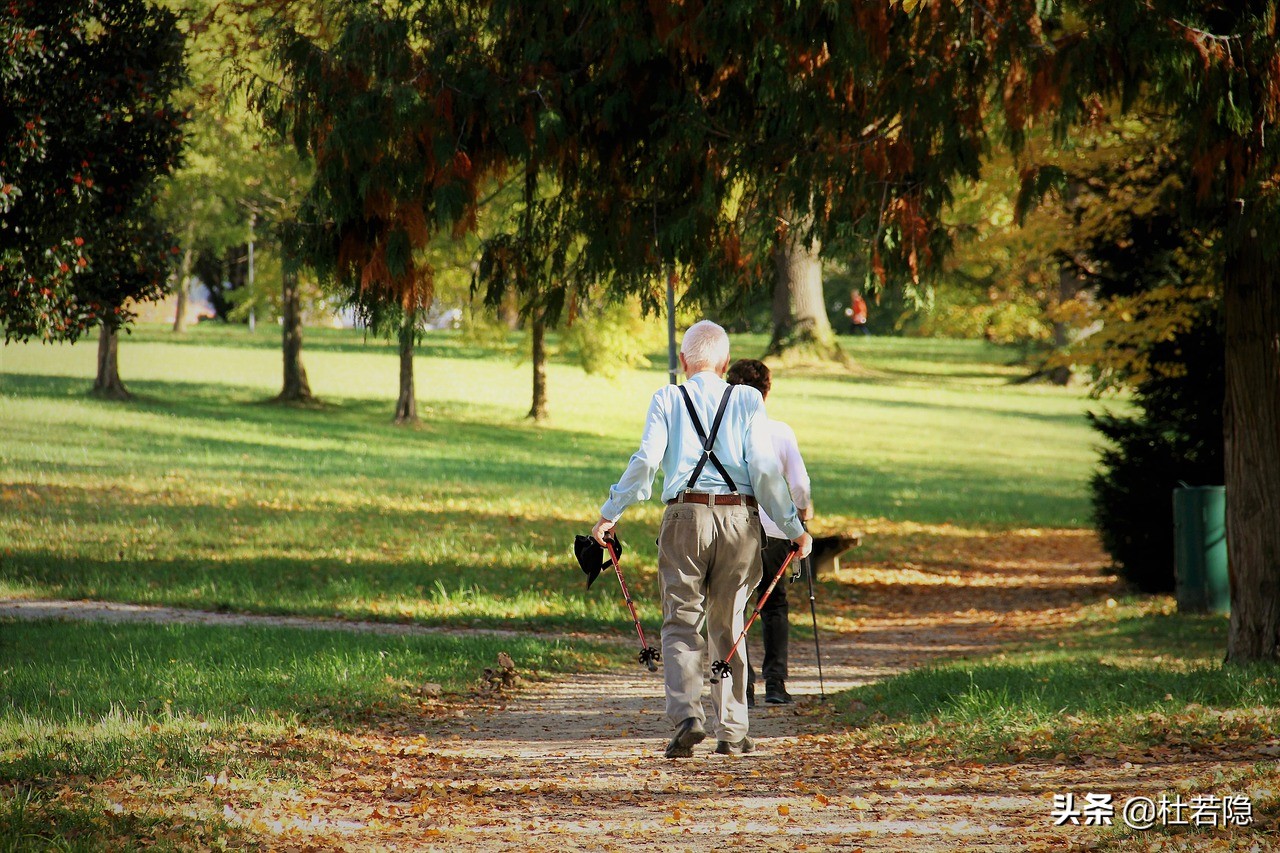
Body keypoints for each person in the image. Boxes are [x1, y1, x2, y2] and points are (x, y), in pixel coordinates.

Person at [591, 320, 813, 759]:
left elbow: (646, 461)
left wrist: (608, 514)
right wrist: (794, 528)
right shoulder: (748, 399)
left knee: (680, 620)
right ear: (726, 363)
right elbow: (766, 473)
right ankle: (732, 729)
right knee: (730, 623)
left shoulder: (667, 398)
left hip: (684, 516)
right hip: (739, 519)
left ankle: (688, 717)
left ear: (683, 362)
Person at [725, 358, 812, 707]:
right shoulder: (780, 431)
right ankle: (776, 683)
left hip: (736, 526)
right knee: (774, 604)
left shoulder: (726, 433)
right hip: (777, 528)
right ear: (767, 391)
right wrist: (803, 513)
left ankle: (742, 686)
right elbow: (800, 483)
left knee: (736, 604)